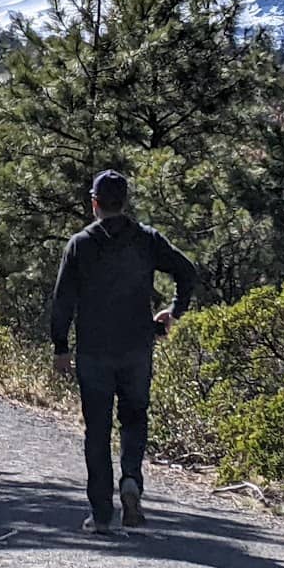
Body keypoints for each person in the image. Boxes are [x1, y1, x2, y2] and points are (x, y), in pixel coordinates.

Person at [50, 169, 197, 534]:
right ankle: (131, 479)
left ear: (95, 203)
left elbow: (62, 301)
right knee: (134, 419)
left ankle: (101, 515)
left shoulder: (80, 244)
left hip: (94, 352)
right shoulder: (146, 240)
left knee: (97, 432)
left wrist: (60, 347)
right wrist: (173, 312)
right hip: (136, 348)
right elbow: (186, 271)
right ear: (125, 202)